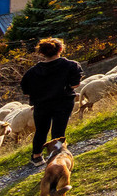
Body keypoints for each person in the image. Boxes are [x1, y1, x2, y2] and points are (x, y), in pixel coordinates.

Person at [19, 37, 82, 166]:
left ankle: (36, 156)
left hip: (41, 105)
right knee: (59, 130)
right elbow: (75, 84)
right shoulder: (71, 65)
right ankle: (57, 154)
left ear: (41, 53)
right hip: (63, 102)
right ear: (60, 49)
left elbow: (26, 91)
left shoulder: (32, 72)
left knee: (41, 130)